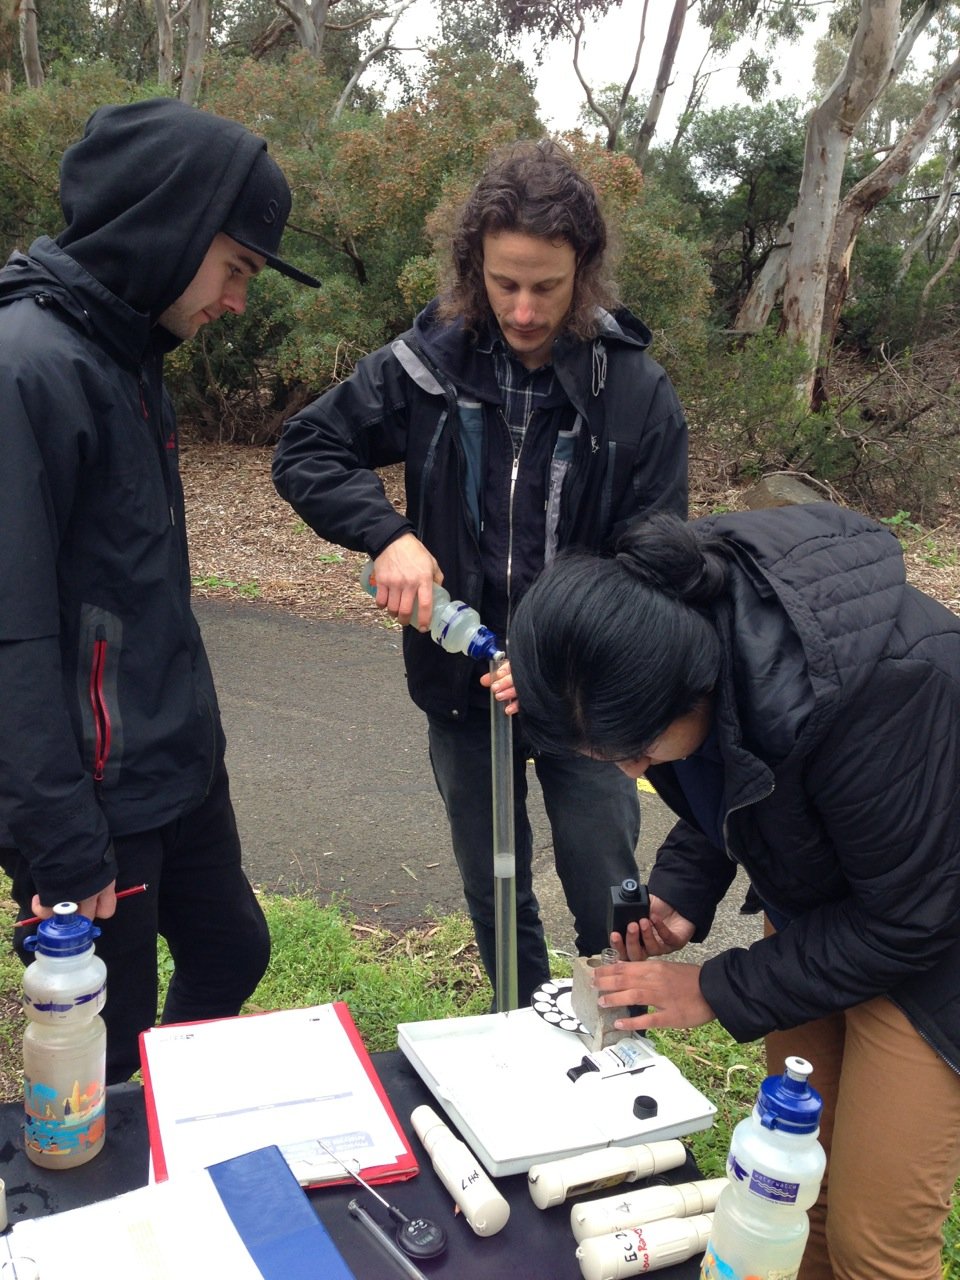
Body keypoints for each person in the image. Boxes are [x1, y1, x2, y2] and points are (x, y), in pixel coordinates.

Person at [272, 138, 688, 1006]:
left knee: (606, 891)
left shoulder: (634, 391)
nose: (524, 310)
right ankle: (514, 1031)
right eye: (505, 284)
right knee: (494, 885)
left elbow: (657, 562)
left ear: (585, 271)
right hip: (463, 689)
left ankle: (614, 1048)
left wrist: (559, 664)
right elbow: (308, 448)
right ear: (474, 268)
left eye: (547, 286)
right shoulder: (429, 363)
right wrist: (386, 535)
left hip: (587, 700)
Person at [502, 501, 960, 1279]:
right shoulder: (687, 625)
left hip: (933, 943)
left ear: (694, 688)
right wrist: (684, 888)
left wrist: (715, 989)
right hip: (828, 913)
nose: (633, 771)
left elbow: (909, 918)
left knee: (873, 1244)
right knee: (796, 1194)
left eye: (639, 751)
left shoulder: (889, 693)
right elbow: (743, 776)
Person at [0, 97, 320, 1083]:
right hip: (94, 796)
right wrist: (57, 833)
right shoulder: (27, 367)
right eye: (237, 268)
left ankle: (168, 1121)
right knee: (108, 1032)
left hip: (177, 763)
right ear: (171, 227)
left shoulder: (132, 353)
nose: (238, 300)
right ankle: (111, 1155)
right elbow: (11, 635)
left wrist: (196, 741)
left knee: (232, 948)